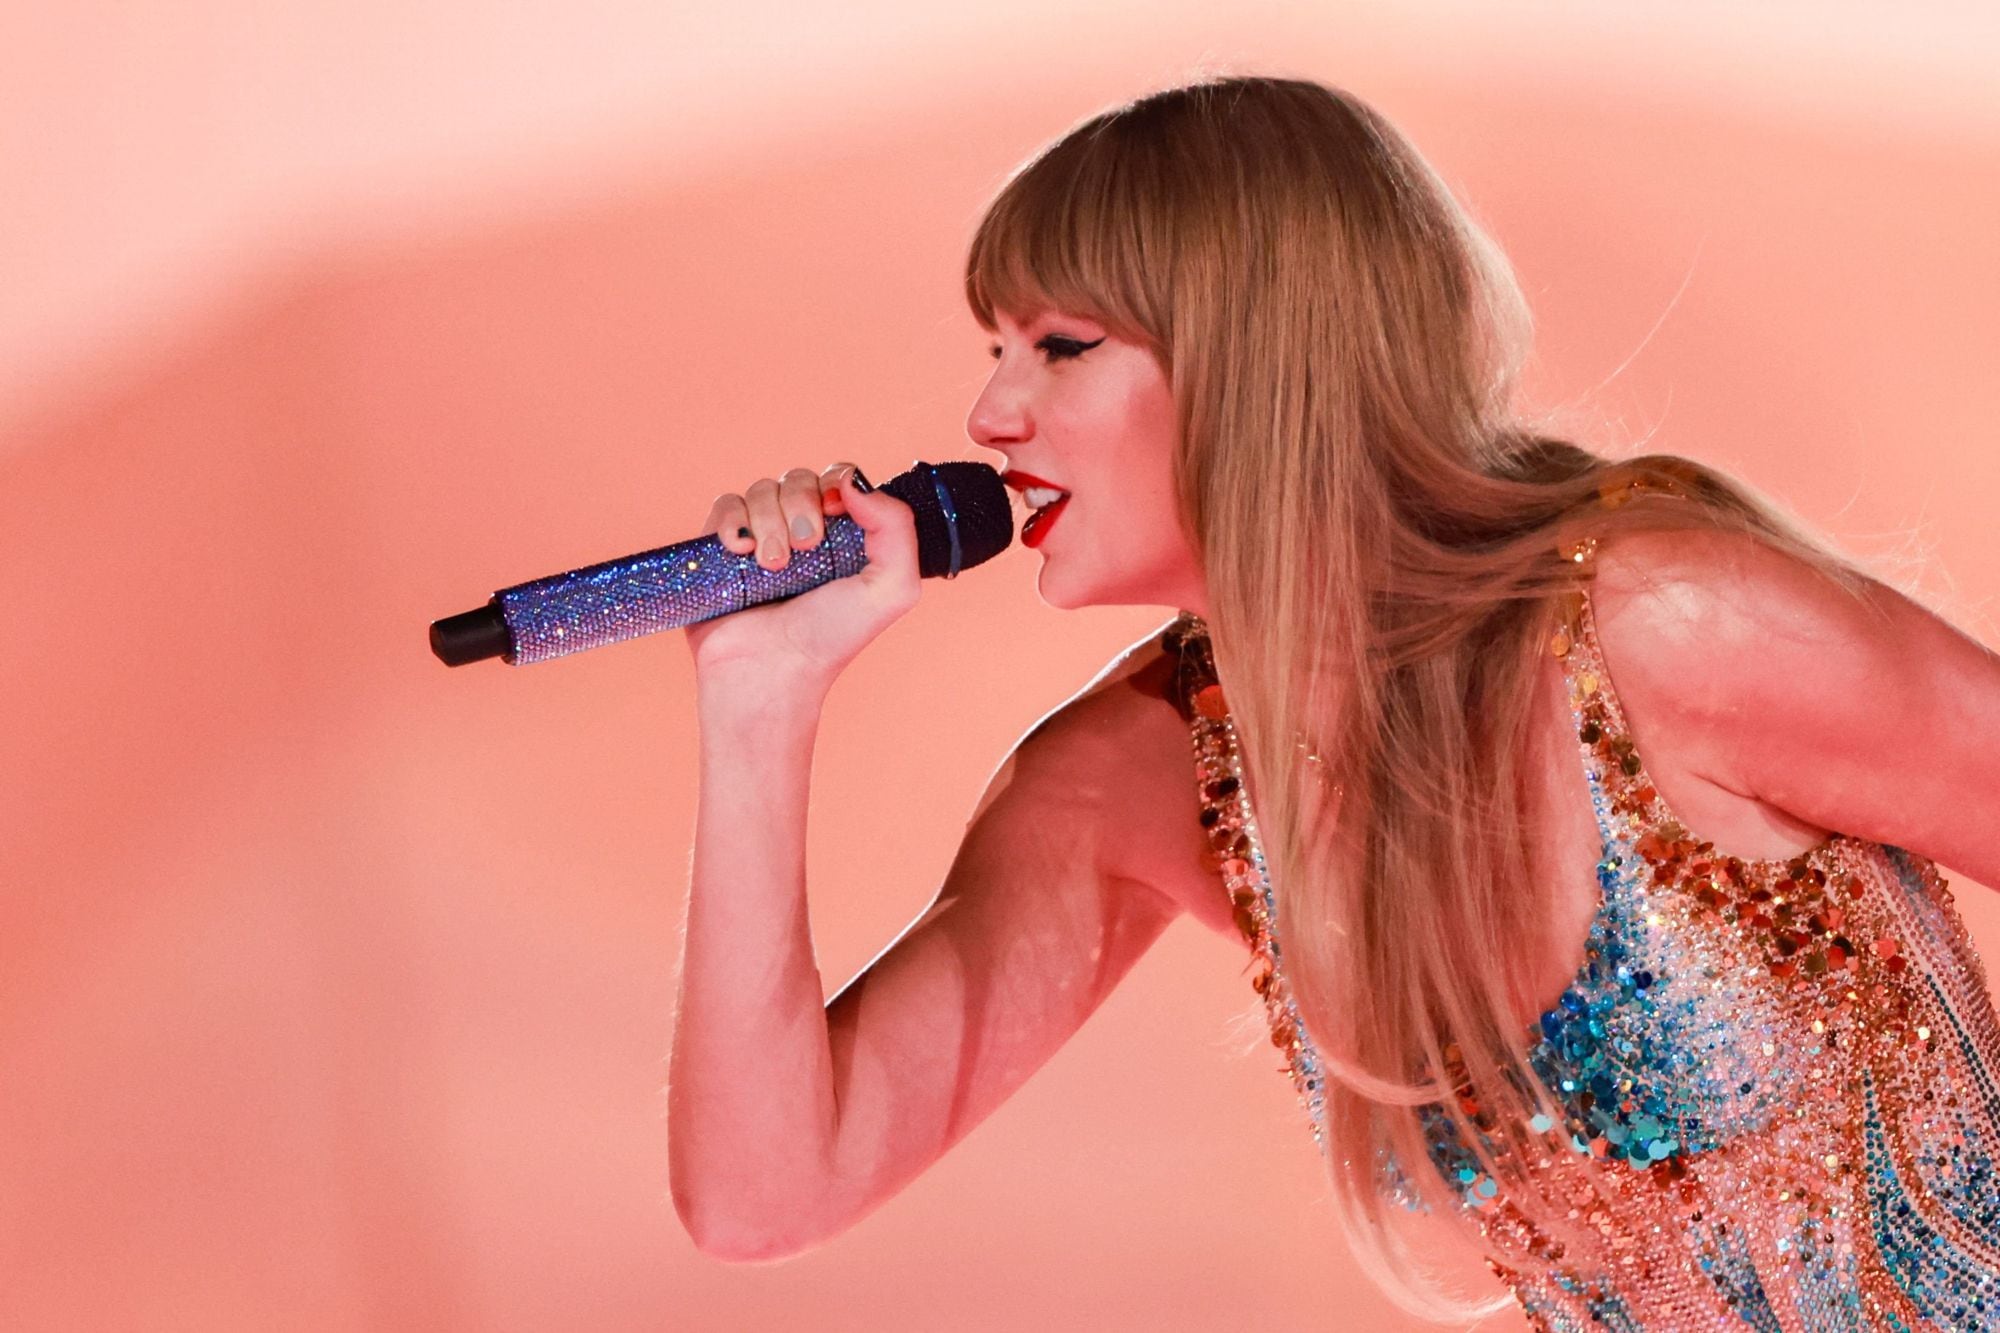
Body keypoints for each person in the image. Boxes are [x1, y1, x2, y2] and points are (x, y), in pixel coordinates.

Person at [664, 75, 2000, 1328]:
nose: (989, 413)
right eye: (996, 348)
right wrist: (756, 703)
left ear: (1258, 356)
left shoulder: (1663, 624)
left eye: (1060, 346)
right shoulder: (1139, 774)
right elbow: (765, 1193)